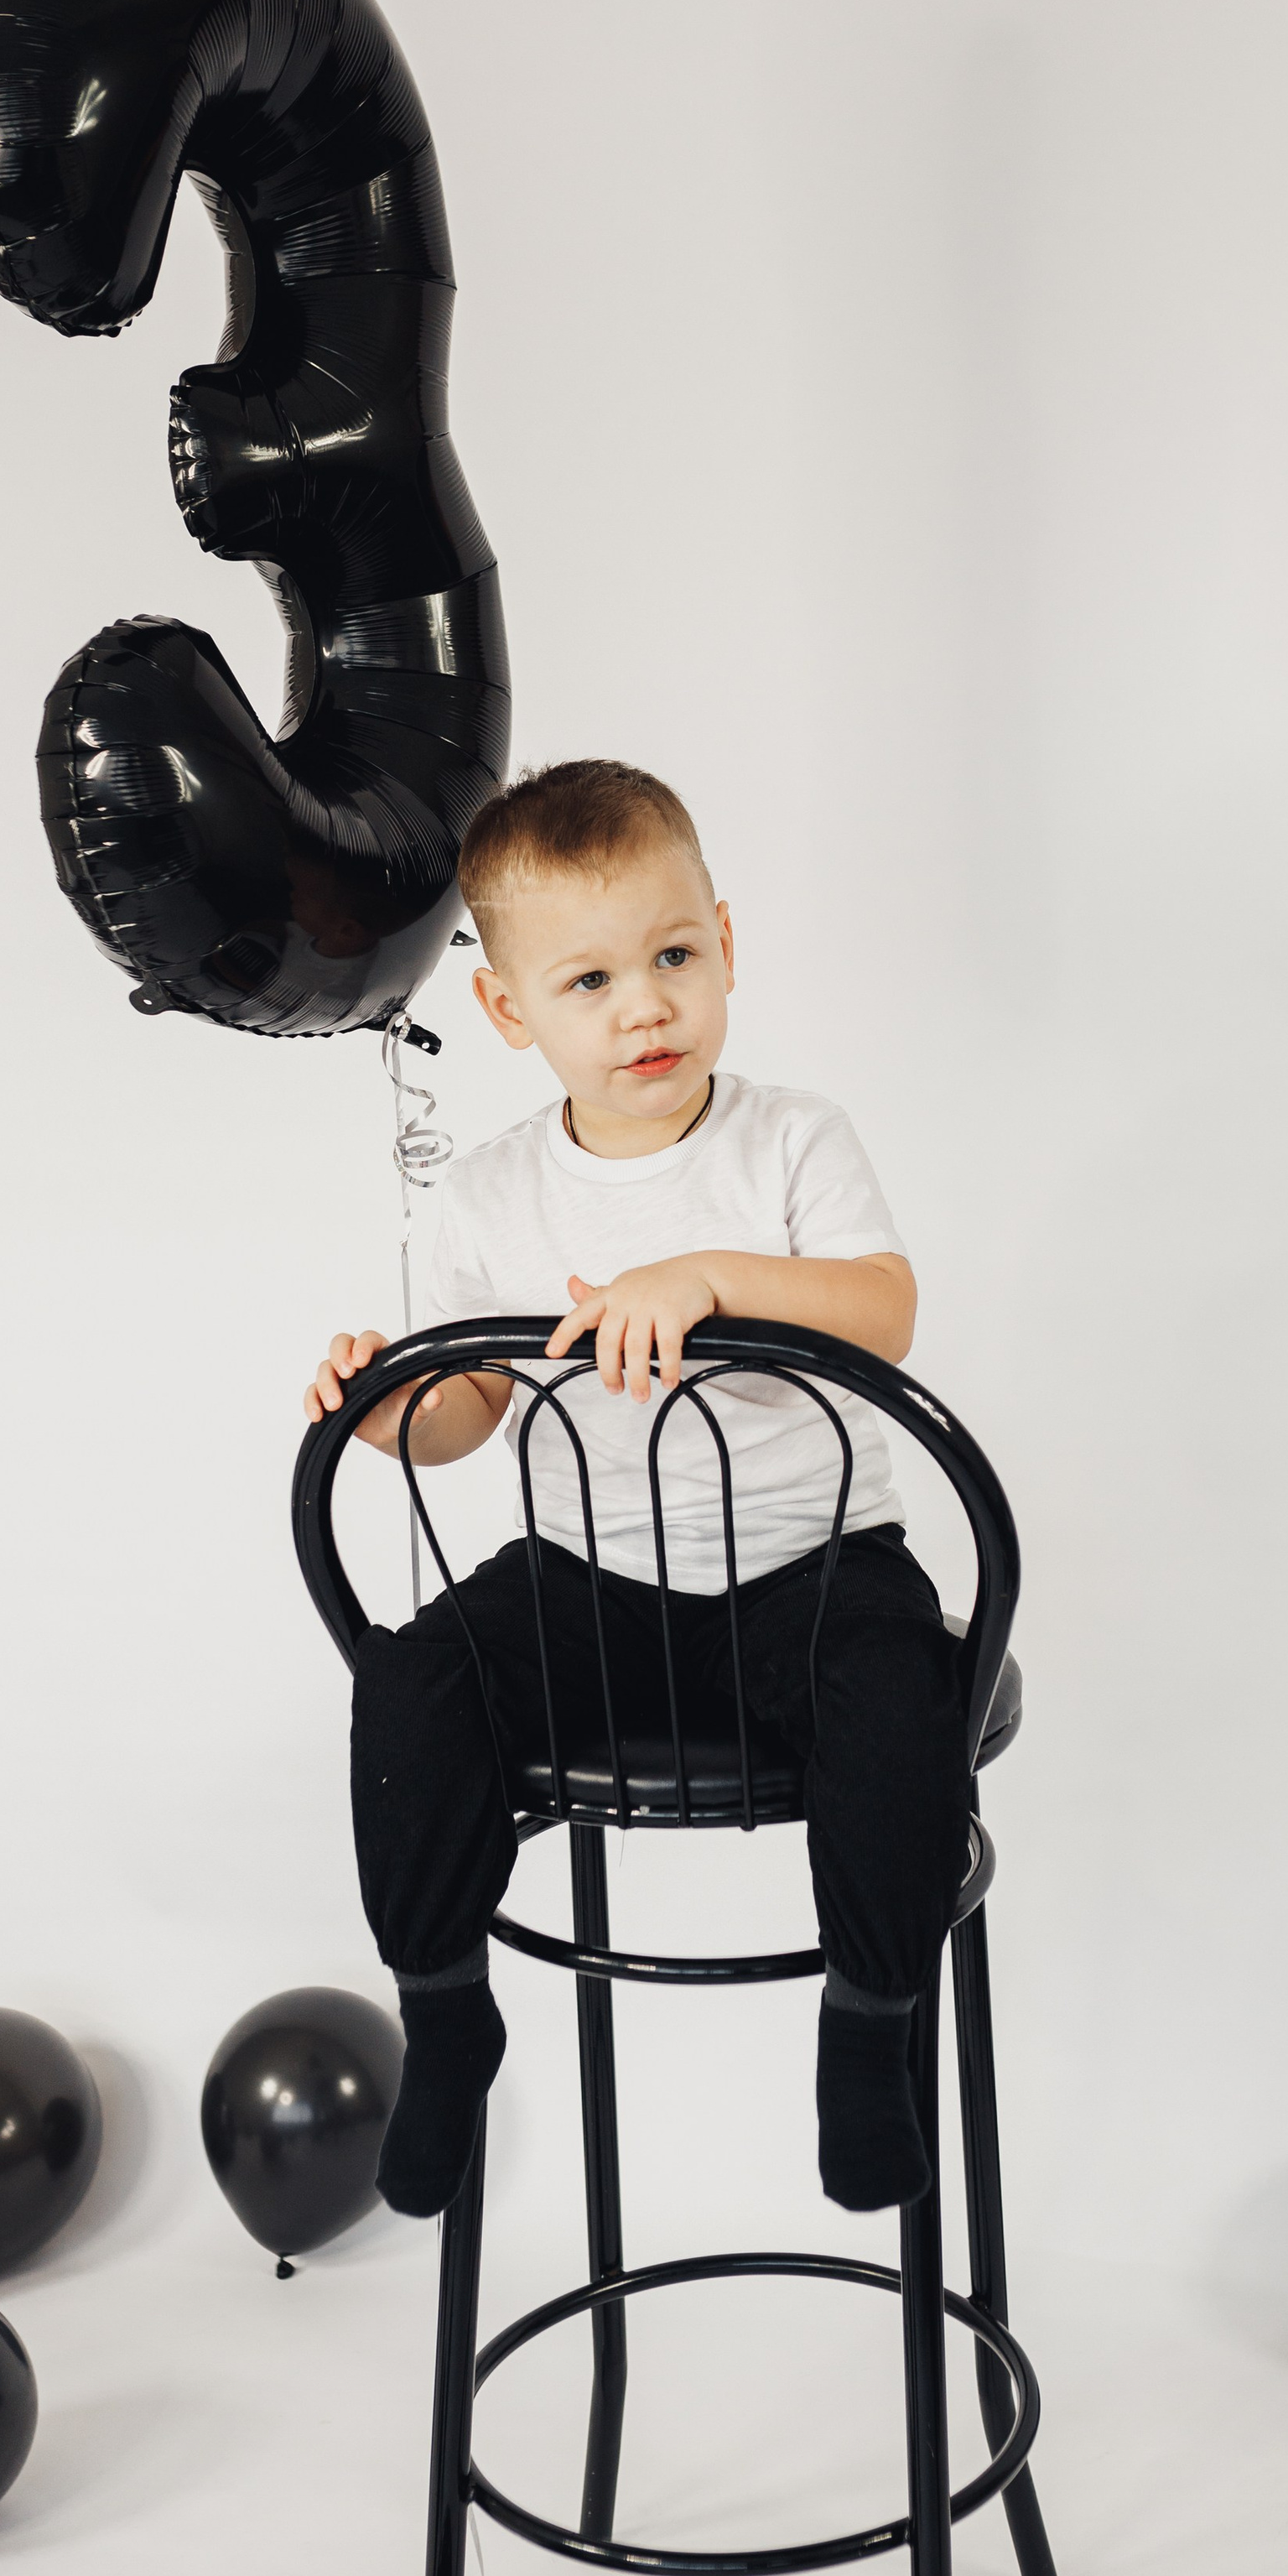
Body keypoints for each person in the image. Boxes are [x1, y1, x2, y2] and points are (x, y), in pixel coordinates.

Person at [304, 760, 969, 2219]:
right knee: (414, 1684)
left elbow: (885, 1306)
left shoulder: (792, 1137)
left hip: (811, 1569)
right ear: (510, 1011)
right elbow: (464, 1417)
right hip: (589, 1590)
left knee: (903, 1695)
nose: (645, 1008)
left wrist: (709, 1275)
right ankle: (444, 2010)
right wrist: (381, 1406)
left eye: (674, 957)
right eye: (591, 979)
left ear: (726, 943)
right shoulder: (488, 1194)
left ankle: (870, 2024)